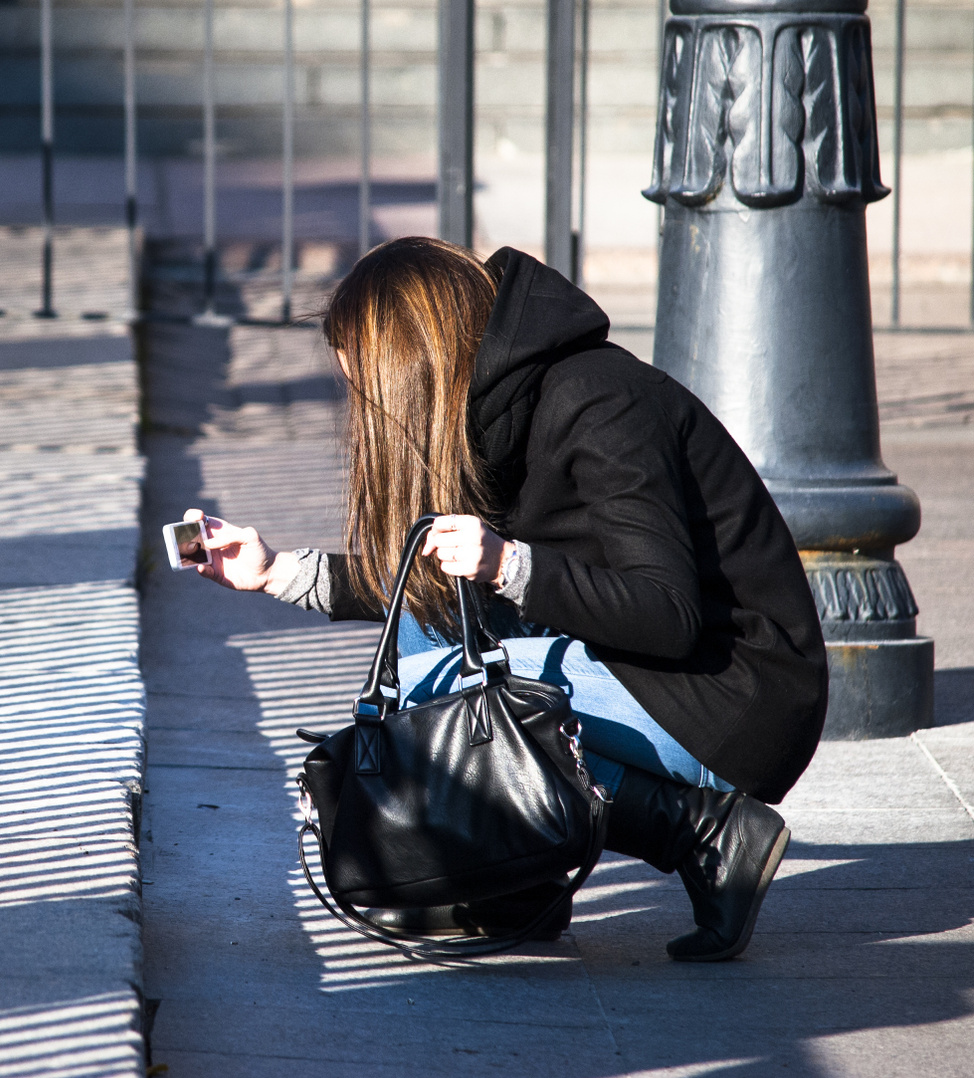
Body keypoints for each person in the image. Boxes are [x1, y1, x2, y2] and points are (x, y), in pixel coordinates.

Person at [187, 237, 828, 962]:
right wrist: (276, 572)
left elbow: (670, 614)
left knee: (433, 692)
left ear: (414, 368)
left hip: (734, 692)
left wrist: (507, 564)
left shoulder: (601, 401)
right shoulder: (495, 410)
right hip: (652, 674)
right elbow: (428, 582)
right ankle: (516, 884)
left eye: (372, 392)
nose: (369, 413)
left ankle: (701, 830)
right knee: (429, 628)